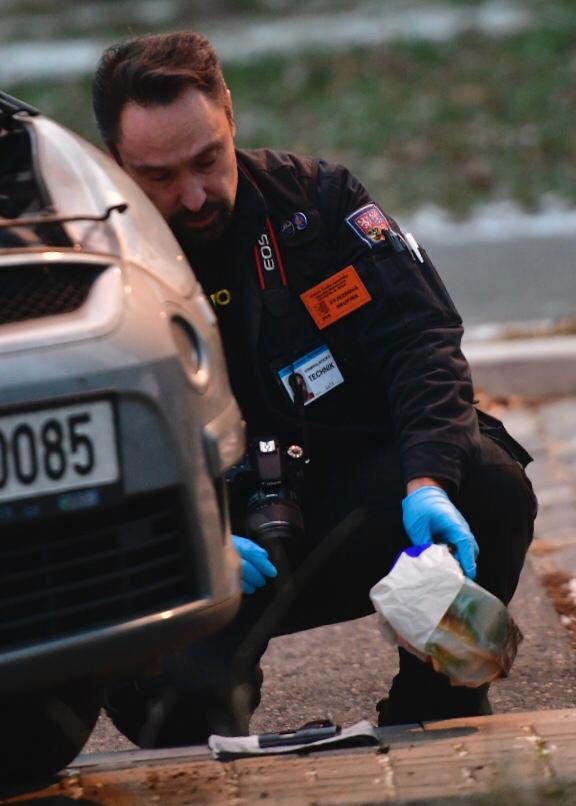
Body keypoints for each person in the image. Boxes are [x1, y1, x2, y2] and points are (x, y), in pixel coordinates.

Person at [91, 31, 537, 746]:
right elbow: (86, 454)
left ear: (229, 113)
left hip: (334, 504)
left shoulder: (320, 205)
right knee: (173, 712)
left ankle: (436, 699)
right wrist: (184, 540)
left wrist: (428, 480)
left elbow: (420, 341)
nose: (196, 194)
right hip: (199, 543)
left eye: (208, 159)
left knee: (487, 482)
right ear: (115, 161)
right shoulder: (93, 268)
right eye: (161, 177)